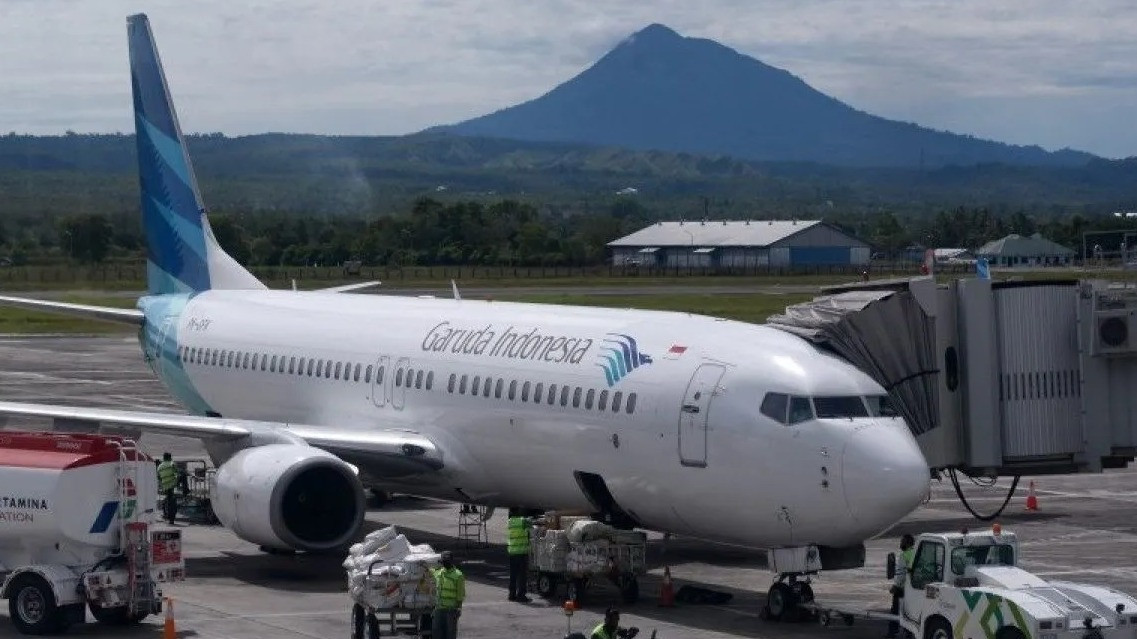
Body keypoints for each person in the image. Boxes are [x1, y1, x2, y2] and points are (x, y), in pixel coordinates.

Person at [886, 534, 916, 639]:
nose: (900, 544)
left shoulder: (905, 555)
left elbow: (901, 573)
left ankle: (892, 632)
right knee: (909, 611)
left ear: (907, 543)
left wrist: (895, 586)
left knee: (895, 610)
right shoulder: (916, 553)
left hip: (902, 588)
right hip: (913, 588)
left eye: (902, 542)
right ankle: (909, 632)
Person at [430, 551, 465, 639]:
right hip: (439, 608)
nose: (445, 563)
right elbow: (431, 571)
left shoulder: (458, 575)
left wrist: (459, 608)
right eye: (444, 561)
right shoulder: (439, 573)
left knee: (450, 633)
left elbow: (460, 593)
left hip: (451, 609)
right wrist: (423, 565)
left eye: (447, 561)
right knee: (436, 632)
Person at [506, 508, 534, 602]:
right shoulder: (522, 521)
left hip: (512, 551)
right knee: (522, 575)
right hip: (521, 552)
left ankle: (512, 594)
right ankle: (521, 595)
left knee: (513, 575)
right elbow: (532, 524)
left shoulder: (510, 522)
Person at [157, 452, 178, 525]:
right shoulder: (172, 464)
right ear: (170, 457)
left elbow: (159, 477)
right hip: (172, 485)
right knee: (172, 502)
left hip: (165, 486)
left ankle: (169, 517)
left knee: (169, 501)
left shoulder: (159, 466)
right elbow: (177, 474)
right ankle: (171, 518)